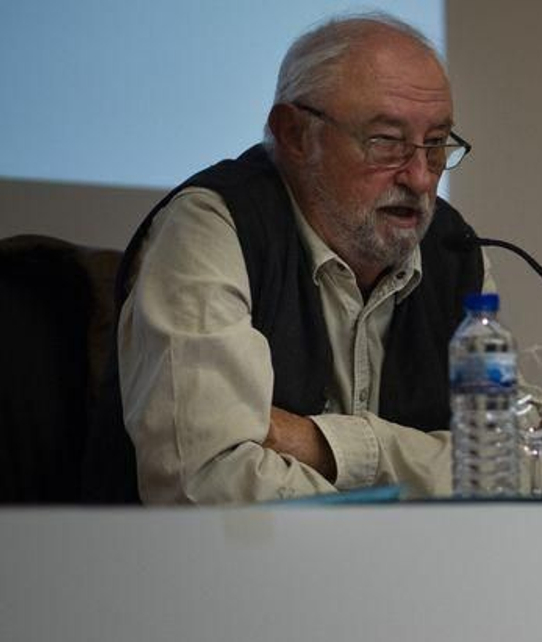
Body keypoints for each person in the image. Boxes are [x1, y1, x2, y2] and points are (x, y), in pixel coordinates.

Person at [83, 14, 490, 503]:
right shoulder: (213, 226)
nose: (422, 178)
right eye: (386, 141)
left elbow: (512, 468)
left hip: (405, 573)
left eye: (436, 143)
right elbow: (208, 485)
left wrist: (321, 445)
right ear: (296, 134)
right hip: (191, 576)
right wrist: (418, 482)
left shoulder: (454, 249)